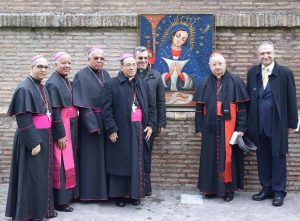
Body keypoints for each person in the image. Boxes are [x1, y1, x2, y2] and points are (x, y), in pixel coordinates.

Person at [5, 55, 57, 221]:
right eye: (39, 66)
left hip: (44, 136)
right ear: (32, 67)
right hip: (33, 139)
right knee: (31, 177)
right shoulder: (24, 88)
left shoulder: (40, 86)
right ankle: (30, 213)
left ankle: (42, 209)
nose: (43, 70)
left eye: (45, 67)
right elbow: (23, 118)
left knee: (42, 175)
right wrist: (33, 142)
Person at [247, 41, 298, 207]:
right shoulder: (252, 73)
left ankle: (278, 191)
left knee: (278, 158)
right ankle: (266, 188)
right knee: (262, 158)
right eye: (262, 53)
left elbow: (292, 100)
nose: (265, 56)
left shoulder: (284, 73)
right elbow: (249, 100)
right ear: (258, 56)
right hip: (258, 125)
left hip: (278, 125)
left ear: (274, 54)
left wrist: (292, 124)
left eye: (268, 53)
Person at [193, 52, 249, 202]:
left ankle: (228, 189)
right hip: (210, 126)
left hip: (230, 126)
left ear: (225, 64)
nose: (217, 67)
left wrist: (242, 128)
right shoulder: (204, 82)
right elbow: (199, 108)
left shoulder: (236, 81)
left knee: (228, 158)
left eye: (220, 64)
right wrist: (199, 127)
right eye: (214, 64)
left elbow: (242, 108)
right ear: (209, 66)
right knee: (209, 157)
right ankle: (210, 188)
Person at [102, 53, 156, 207]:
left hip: (140, 129)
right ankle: (119, 195)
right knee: (121, 162)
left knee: (137, 162)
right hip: (121, 130)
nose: (132, 67)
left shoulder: (142, 84)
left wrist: (151, 125)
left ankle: (135, 194)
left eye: (134, 65)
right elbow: (106, 110)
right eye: (128, 65)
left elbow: (151, 106)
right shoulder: (111, 84)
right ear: (121, 67)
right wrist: (111, 129)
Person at [72, 46, 110, 201]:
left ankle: (104, 192)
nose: (99, 61)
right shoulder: (81, 75)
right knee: (90, 159)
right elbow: (81, 104)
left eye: (102, 58)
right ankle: (89, 193)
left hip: (105, 120)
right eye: (96, 58)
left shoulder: (106, 74)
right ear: (88, 59)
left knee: (104, 159)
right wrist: (92, 124)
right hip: (91, 124)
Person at [45, 52, 78, 212]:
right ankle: (60, 201)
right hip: (62, 127)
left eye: (69, 63)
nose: (67, 66)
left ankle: (69, 196)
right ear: (55, 64)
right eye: (63, 63)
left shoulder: (65, 80)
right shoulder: (53, 83)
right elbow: (55, 111)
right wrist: (60, 135)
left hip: (70, 125)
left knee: (69, 162)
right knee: (62, 162)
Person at [135, 46, 167, 196]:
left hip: (150, 123)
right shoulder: (131, 74)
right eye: (140, 58)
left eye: (145, 58)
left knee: (146, 154)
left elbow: (161, 101)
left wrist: (161, 123)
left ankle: (145, 187)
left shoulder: (156, 75)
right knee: (133, 154)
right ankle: (133, 186)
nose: (143, 61)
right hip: (132, 123)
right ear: (135, 59)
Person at [154, 24, 203, 91]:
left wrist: (181, 75)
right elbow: (156, 75)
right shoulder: (162, 51)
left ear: (185, 41)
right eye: (178, 36)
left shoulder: (188, 53)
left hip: (184, 95)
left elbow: (197, 76)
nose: (179, 40)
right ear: (172, 35)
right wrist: (169, 74)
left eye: (183, 39)